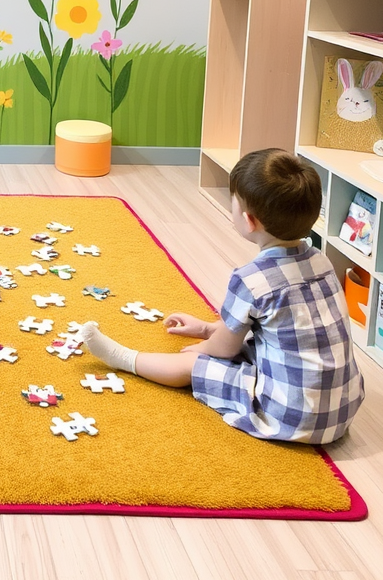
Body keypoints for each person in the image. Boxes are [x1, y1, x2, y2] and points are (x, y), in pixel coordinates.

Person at [81, 148, 364, 444]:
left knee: (193, 364)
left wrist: (202, 348)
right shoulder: (321, 261)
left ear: (248, 220)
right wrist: (205, 329)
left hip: (288, 416)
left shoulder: (251, 279)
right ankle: (201, 343)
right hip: (342, 410)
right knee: (257, 339)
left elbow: (225, 350)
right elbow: (279, 326)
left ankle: (123, 359)